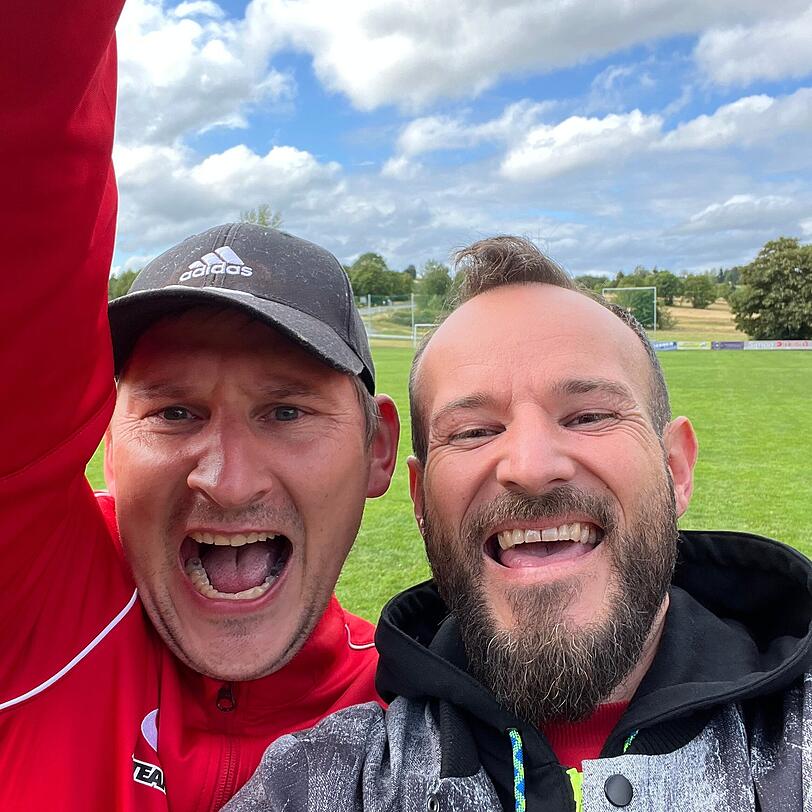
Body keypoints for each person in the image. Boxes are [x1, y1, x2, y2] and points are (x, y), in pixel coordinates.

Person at [226, 236, 812, 812]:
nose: (530, 468)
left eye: (588, 416)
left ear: (676, 468)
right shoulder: (324, 781)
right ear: (420, 498)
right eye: (474, 432)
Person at [0, 2, 399, 809]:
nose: (226, 477)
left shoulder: (427, 708)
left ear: (378, 448)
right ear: (106, 439)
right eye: (175, 412)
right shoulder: (32, 599)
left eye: (285, 411)